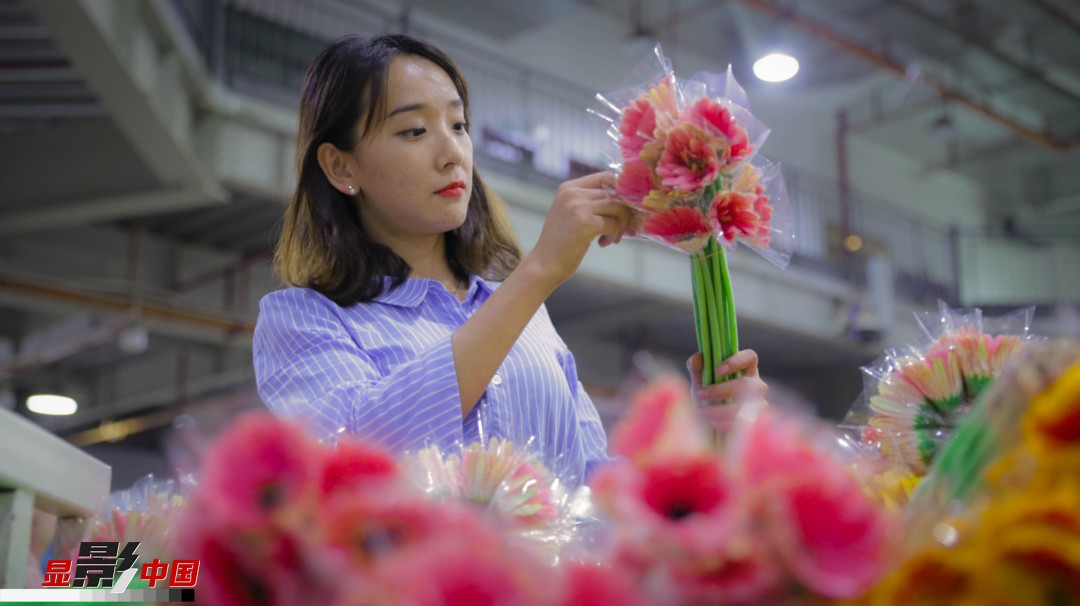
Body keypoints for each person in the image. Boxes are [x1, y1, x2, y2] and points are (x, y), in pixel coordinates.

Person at [253, 33, 766, 484]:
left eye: (458, 124)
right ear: (341, 166)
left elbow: (595, 487)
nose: (453, 152)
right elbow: (356, 455)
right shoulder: (302, 319)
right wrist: (538, 272)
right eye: (414, 131)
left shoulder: (526, 316)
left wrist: (710, 429)